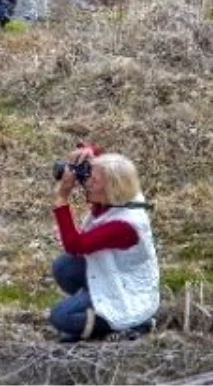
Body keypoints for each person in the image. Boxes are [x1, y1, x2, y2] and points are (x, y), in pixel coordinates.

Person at [49, 144, 160, 343]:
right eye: (88, 174)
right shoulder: (123, 195)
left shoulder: (124, 225)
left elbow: (75, 245)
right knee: (63, 266)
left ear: (111, 188)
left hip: (128, 294)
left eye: (93, 180)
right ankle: (94, 306)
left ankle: (125, 323)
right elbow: (110, 168)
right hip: (112, 272)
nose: (87, 182)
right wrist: (89, 153)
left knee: (60, 317)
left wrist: (62, 197)